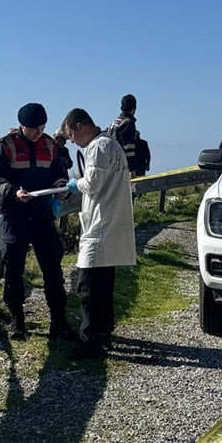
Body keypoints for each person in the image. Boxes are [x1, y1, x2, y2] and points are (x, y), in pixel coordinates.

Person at [0, 103, 78, 339]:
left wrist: (61, 189)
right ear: (22, 126)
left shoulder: (49, 144)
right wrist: (12, 192)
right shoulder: (5, 146)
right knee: (14, 271)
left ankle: (58, 322)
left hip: (43, 217)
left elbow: (60, 174)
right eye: (34, 129)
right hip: (15, 217)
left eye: (42, 127)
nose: (39, 132)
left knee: (53, 271)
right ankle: (17, 322)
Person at [61, 107, 138, 353]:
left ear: (79, 127)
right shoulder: (112, 145)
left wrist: (75, 184)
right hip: (111, 222)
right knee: (104, 285)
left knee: (89, 287)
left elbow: (92, 183)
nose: (72, 141)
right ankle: (104, 333)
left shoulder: (98, 147)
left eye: (71, 135)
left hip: (101, 225)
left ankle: (89, 339)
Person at [110, 94, 147, 177]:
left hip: (112, 164)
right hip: (122, 167)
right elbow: (128, 149)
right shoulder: (127, 123)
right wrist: (132, 170)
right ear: (134, 108)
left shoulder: (115, 122)